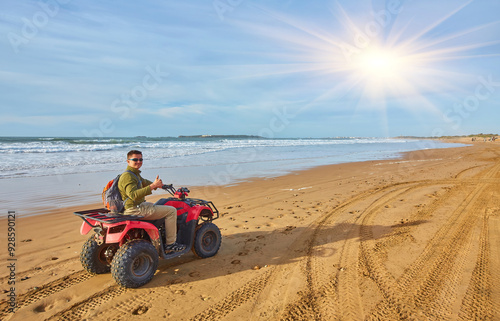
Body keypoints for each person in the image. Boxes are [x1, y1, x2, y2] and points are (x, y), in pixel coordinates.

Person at [118, 150, 186, 253]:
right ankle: (170, 244)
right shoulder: (128, 176)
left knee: (156, 205)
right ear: (128, 161)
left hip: (137, 206)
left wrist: (161, 186)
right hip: (134, 209)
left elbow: (144, 182)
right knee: (171, 211)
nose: (138, 161)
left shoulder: (134, 174)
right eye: (135, 159)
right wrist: (153, 186)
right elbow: (133, 195)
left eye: (140, 159)